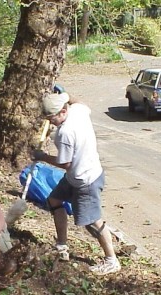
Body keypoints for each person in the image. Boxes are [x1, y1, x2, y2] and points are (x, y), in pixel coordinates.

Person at [31, 92, 121, 275]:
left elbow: (65, 163)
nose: (50, 122)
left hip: (84, 181)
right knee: (54, 200)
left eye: (52, 118)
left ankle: (112, 259)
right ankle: (62, 245)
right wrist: (65, 94)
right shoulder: (78, 110)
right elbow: (78, 101)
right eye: (47, 118)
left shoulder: (64, 133)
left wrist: (43, 157)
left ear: (63, 111)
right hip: (81, 174)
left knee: (93, 222)